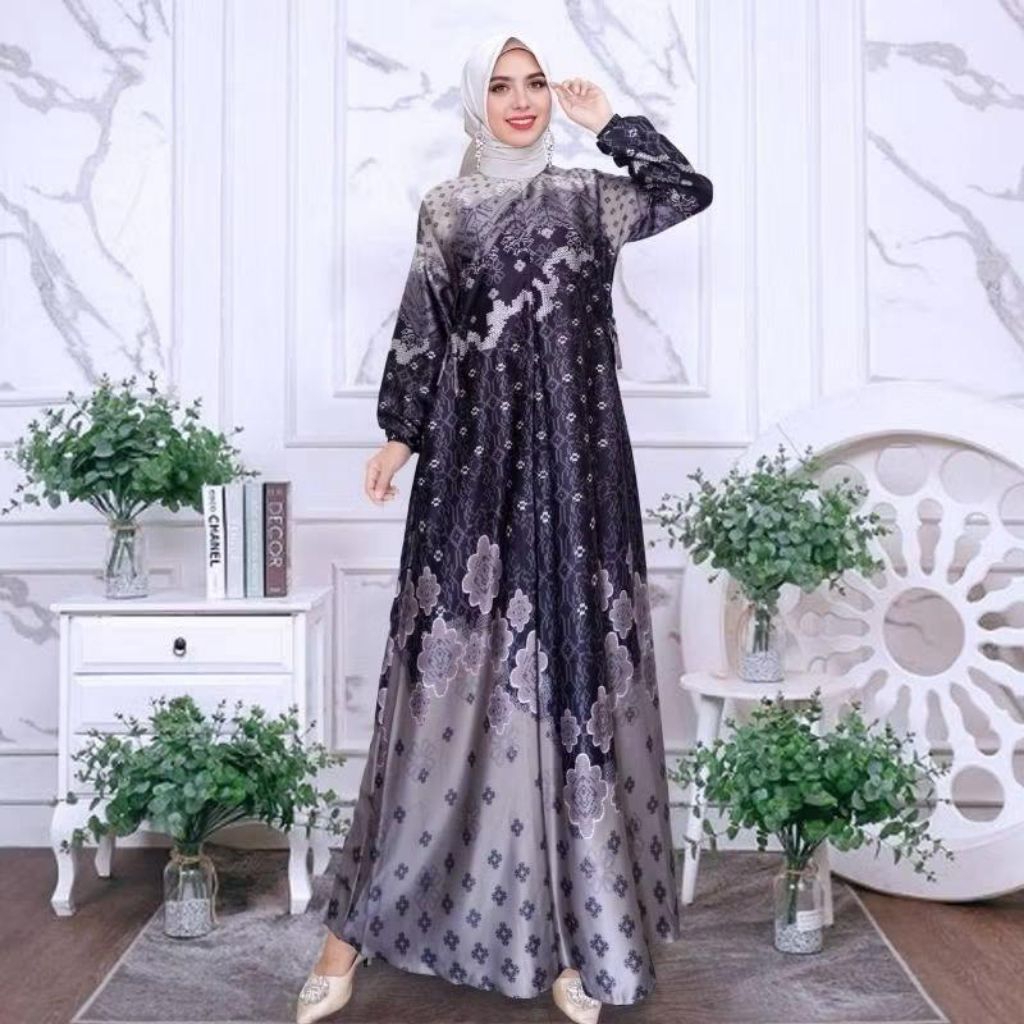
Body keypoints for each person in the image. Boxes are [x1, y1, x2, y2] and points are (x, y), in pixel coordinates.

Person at [295, 29, 713, 1024]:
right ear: (474, 100)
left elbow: (686, 190)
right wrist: (399, 436)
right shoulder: (447, 208)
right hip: (474, 473)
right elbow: (425, 327)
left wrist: (608, 122)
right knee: (444, 689)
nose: (522, 101)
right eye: (501, 85)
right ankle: (348, 934)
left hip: (578, 476)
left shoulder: (589, 198)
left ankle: (572, 938)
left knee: (566, 678)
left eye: (533, 85)